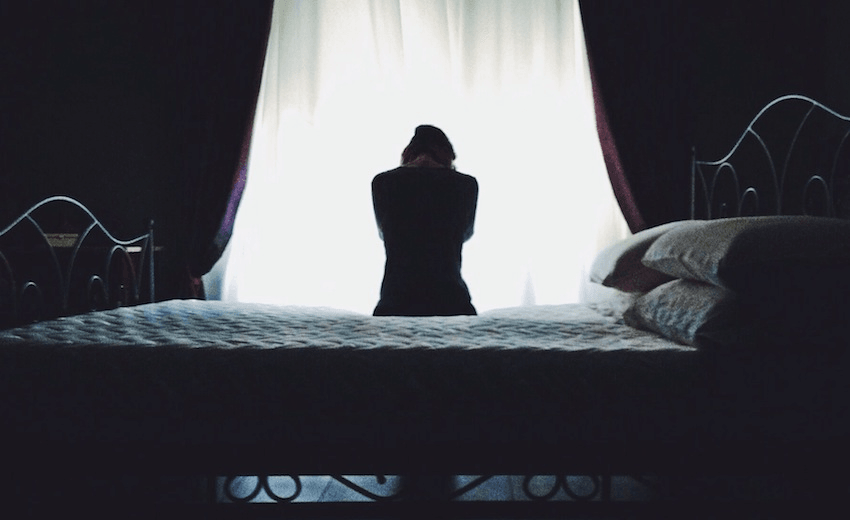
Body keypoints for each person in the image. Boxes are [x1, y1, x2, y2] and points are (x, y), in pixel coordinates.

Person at [371, 125, 478, 316]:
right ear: (447, 154)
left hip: (396, 297)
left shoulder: (382, 182)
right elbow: (465, 232)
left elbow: (383, 232)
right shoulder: (466, 185)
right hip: (451, 297)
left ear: (408, 152)